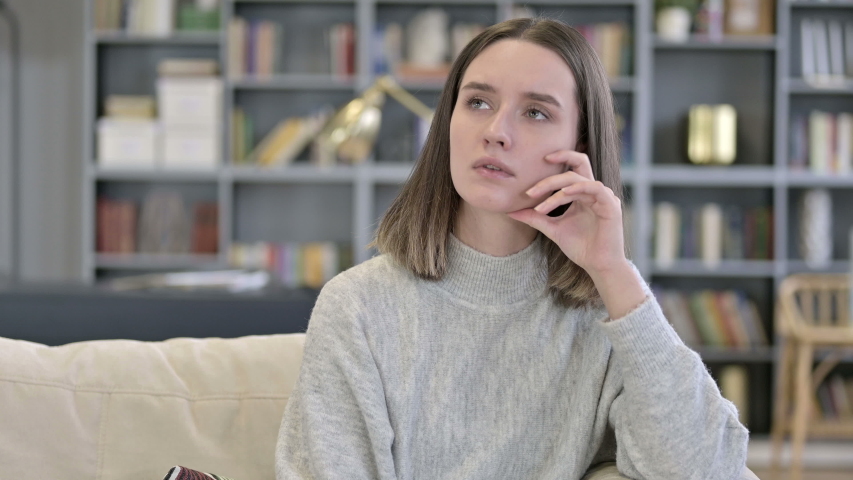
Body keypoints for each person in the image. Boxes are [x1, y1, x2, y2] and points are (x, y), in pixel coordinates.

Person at [276, 16, 749, 480]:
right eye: (478, 102)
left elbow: (709, 470)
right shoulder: (358, 307)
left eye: (536, 112)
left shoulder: (607, 319)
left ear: (578, 145)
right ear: (448, 122)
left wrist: (613, 271)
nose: (496, 130)